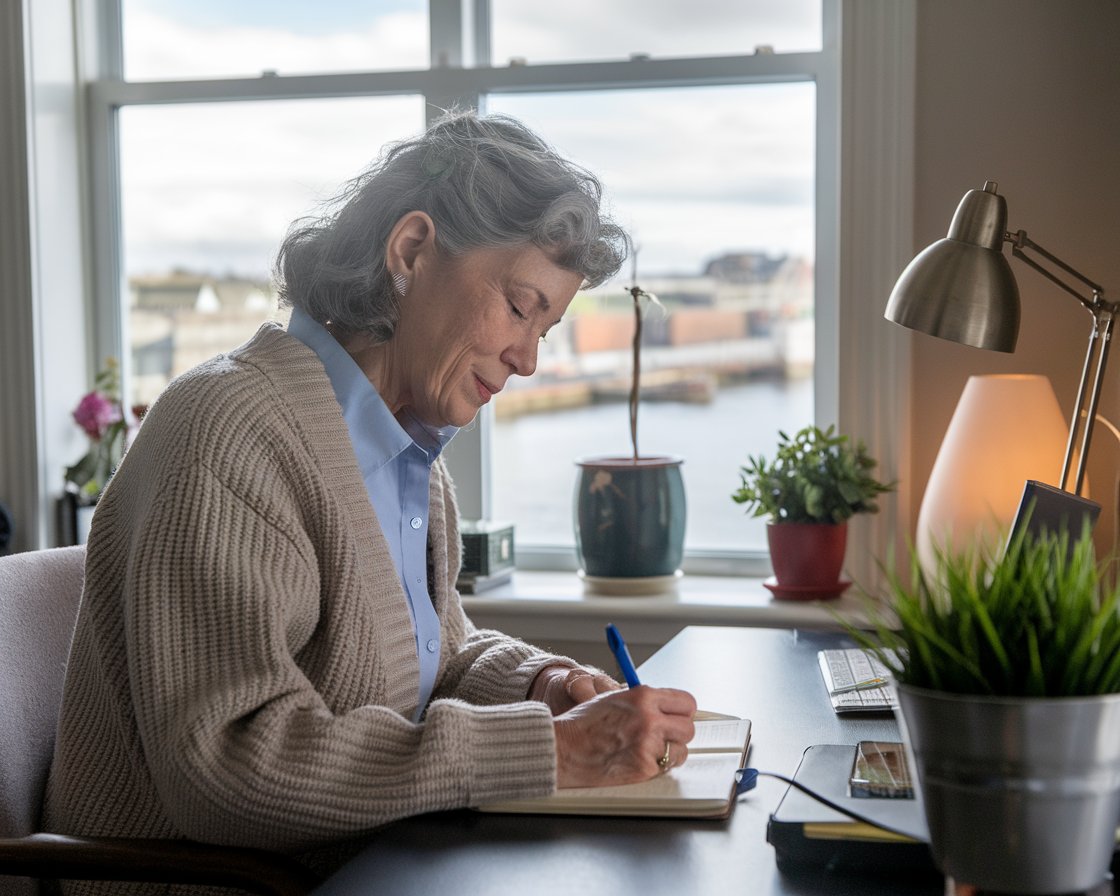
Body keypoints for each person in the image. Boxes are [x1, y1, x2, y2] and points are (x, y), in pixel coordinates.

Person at [43, 109, 697, 893]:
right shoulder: (229, 428)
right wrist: (552, 750)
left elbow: (433, 663)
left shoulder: (407, 450)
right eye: (521, 307)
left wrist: (543, 687)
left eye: (546, 330)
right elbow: (229, 763)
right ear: (412, 250)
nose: (526, 359)